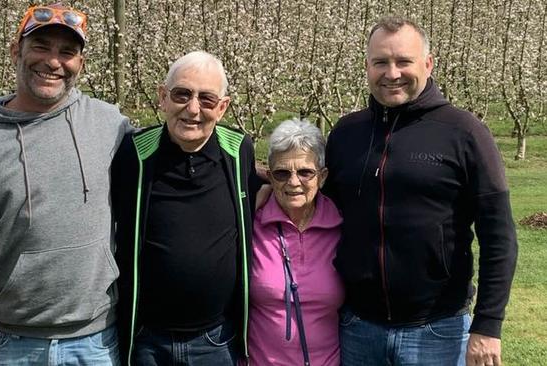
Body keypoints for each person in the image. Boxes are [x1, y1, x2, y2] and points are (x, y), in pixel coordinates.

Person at [0, 4, 132, 365]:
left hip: (97, 344)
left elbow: (167, 159)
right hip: (8, 345)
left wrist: (262, 177)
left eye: (67, 52)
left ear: (80, 64)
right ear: (16, 51)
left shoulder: (110, 124)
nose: (53, 62)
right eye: (41, 46)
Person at [322, 16, 518, 366]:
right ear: (367, 66)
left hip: (437, 329)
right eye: (380, 62)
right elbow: (316, 201)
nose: (392, 73)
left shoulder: (464, 133)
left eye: (404, 61)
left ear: (427, 64)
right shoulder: (346, 134)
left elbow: (499, 234)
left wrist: (488, 325)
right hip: (357, 327)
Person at [112, 50, 261, 366]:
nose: (192, 109)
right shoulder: (134, 153)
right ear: (163, 97)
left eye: (206, 100)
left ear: (222, 108)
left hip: (216, 340)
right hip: (147, 341)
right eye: (182, 95)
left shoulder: (238, 152)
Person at [246, 119, 343, 366]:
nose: (293, 182)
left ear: (322, 177)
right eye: (281, 173)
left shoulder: (342, 226)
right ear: (269, 176)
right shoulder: (250, 223)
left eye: (305, 172)